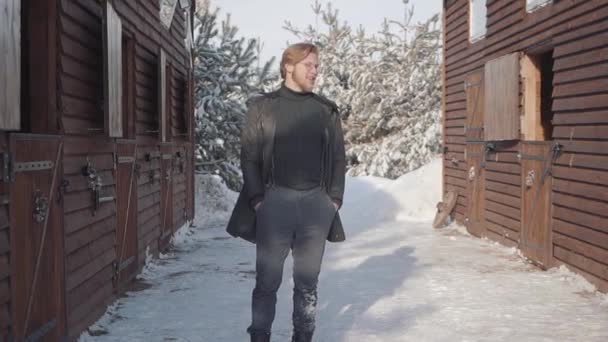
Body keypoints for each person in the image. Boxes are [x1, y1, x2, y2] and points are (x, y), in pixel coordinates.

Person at [226, 42, 347, 342]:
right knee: (266, 283)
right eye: (309, 65)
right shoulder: (263, 107)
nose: (315, 71)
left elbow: (338, 158)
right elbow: (249, 155)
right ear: (288, 66)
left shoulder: (325, 110)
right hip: (274, 203)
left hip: (314, 208)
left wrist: (333, 200)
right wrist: (257, 199)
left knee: (307, 285)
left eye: (317, 66)